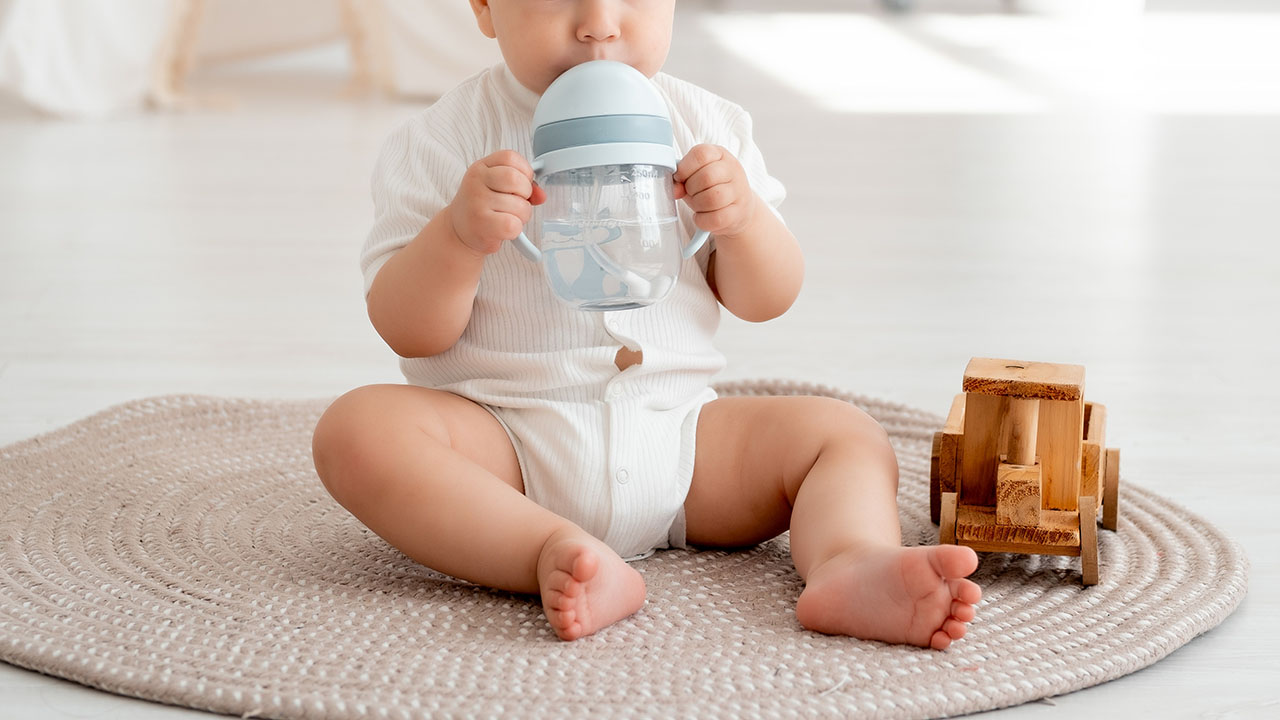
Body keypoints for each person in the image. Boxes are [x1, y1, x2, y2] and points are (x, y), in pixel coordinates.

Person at [312, 0, 981, 649]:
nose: (598, 24)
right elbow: (408, 330)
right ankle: (546, 549)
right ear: (485, 7)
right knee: (358, 433)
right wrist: (456, 238)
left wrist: (743, 223)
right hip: (505, 449)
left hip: (683, 444)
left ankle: (849, 561)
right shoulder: (443, 140)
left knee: (845, 433)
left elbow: (767, 298)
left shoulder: (705, 125)